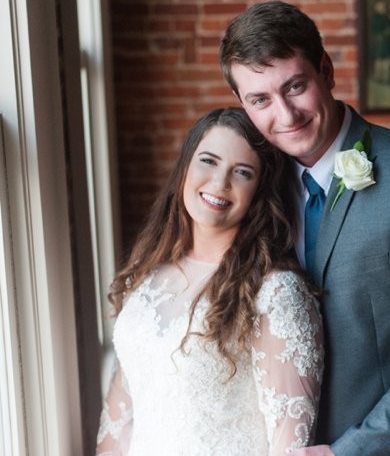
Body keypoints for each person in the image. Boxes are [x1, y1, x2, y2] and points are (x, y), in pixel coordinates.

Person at [219, 0, 390, 455]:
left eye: (295, 86)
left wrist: (351, 452)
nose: (285, 115)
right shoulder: (256, 185)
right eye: (260, 100)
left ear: (326, 70)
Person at [96, 108, 324, 454]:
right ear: (185, 167)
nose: (220, 183)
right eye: (208, 161)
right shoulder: (146, 275)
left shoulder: (275, 292)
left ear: (260, 192)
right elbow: (118, 421)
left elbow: (289, 445)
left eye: (243, 172)